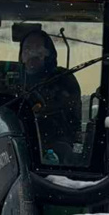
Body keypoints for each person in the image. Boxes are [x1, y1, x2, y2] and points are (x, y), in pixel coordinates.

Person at [18, 30, 82, 162]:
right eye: (27, 49)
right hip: (15, 138)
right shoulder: (14, 79)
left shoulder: (63, 79)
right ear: (21, 56)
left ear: (49, 54)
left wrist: (39, 109)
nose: (32, 54)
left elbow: (67, 112)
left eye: (38, 50)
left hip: (55, 144)